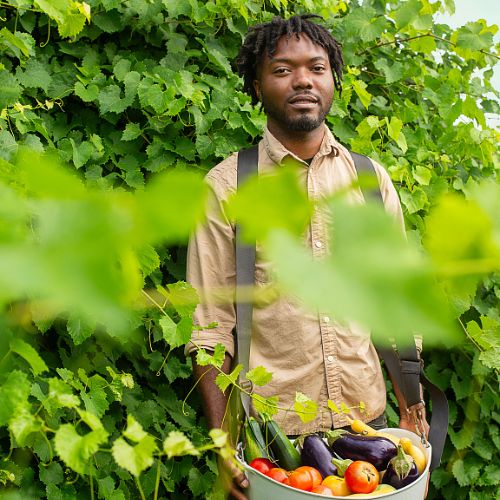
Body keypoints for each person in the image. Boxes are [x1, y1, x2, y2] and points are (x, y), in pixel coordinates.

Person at [185, 14, 428, 499]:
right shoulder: (228, 187)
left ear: (333, 77)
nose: (302, 80)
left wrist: (413, 412)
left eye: (317, 67)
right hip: (277, 447)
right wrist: (224, 444)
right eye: (282, 69)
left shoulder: (370, 182)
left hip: (373, 435)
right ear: (256, 85)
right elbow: (210, 330)